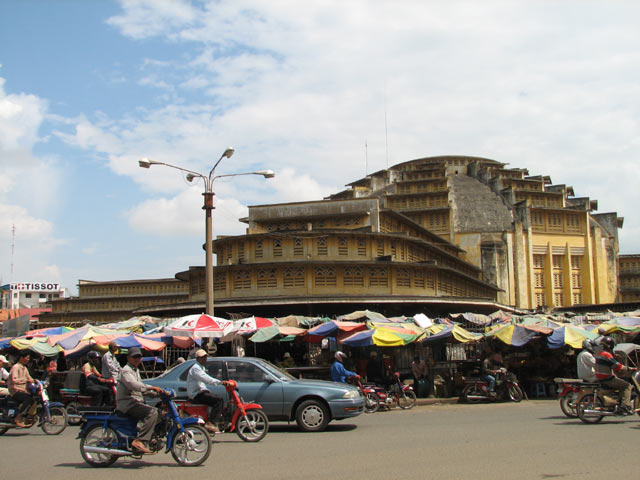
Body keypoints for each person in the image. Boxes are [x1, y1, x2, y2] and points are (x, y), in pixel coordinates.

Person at [116, 347, 167, 454]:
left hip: (135, 402)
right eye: (134, 357)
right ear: (128, 358)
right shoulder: (126, 370)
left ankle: (149, 435)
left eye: (139, 357)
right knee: (152, 413)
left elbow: (141, 390)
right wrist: (151, 387)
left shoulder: (135, 370)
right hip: (127, 404)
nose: (137, 359)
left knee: (159, 413)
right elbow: (134, 385)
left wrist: (158, 394)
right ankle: (140, 441)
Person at [186, 349, 230, 434]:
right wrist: (220, 382)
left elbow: (202, 382)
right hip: (196, 394)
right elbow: (205, 378)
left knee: (216, 398)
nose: (204, 359)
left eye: (205, 357)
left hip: (200, 391)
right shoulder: (196, 368)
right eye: (202, 357)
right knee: (219, 400)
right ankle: (211, 423)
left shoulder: (201, 367)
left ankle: (218, 420)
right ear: (198, 358)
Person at [594, 336, 634, 415]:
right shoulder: (607, 355)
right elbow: (617, 366)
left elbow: (611, 364)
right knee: (627, 386)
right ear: (611, 346)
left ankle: (618, 402)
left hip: (599, 378)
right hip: (607, 378)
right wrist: (629, 368)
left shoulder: (599, 354)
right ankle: (625, 405)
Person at [8, 350, 35, 428]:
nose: (28, 359)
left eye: (29, 358)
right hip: (15, 391)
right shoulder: (16, 367)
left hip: (23, 390)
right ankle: (18, 417)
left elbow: (30, 378)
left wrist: (36, 381)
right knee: (28, 398)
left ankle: (29, 416)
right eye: (27, 358)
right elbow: (14, 380)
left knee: (34, 398)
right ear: (21, 358)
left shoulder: (24, 368)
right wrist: (26, 380)